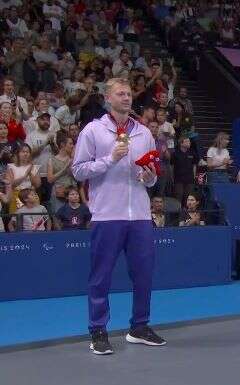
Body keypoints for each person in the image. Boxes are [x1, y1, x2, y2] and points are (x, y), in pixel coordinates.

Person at [72, 77, 166, 355]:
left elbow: (151, 177)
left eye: (128, 93)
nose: (126, 97)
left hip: (139, 214)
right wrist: (110, 158)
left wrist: (149, 179)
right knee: (101, 276)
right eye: (120, 94)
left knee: (144, 274)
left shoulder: (144, 133)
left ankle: (139, 327)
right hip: (107, 215)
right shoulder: (92, 131)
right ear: (108, 98)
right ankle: (98, 331)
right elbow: (78, 170)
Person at [7, 143, 41, 213]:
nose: (25, 154)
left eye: (27, 152)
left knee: (33, 218)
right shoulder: (11, 166)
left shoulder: (33, 167)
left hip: (31, 195)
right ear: (18, 153)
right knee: (18, 219)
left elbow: (37, 185)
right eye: (23, 152)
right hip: (17, 195)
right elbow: (11, 184)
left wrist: (31, 172)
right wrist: (25, 175)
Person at [172, 136, 198, 205]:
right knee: (178, 197)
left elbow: (194, 165)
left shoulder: (192, 153)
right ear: (181, 143)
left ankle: (186, 214)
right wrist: (172, 178)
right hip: (178, 179)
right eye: (187, 141)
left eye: (189, 141)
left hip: (189, 179)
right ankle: (177, 215)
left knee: (188, 198)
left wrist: (194, 176)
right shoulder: (175, 153)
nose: (189, 143)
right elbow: (172, 166)